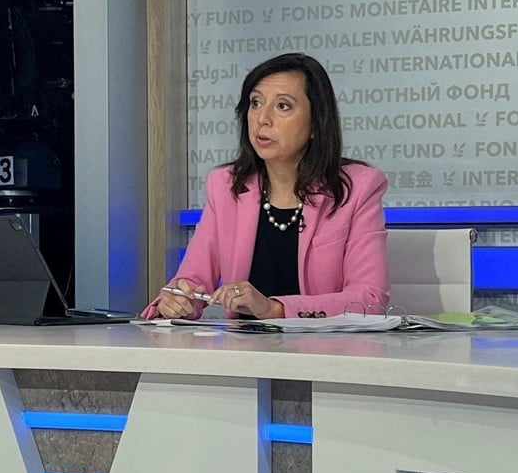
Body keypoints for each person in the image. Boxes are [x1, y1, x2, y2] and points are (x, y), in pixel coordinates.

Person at [141, 52, 389, 320]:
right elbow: (191, 281)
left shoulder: (357, 189)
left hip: (325, 353)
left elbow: (370, 299)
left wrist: (274, 309)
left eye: (283, 106)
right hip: (245, 354)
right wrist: (175, 303)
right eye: (256, 103)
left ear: (317, 122)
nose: (263, 119)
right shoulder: (226, 186)